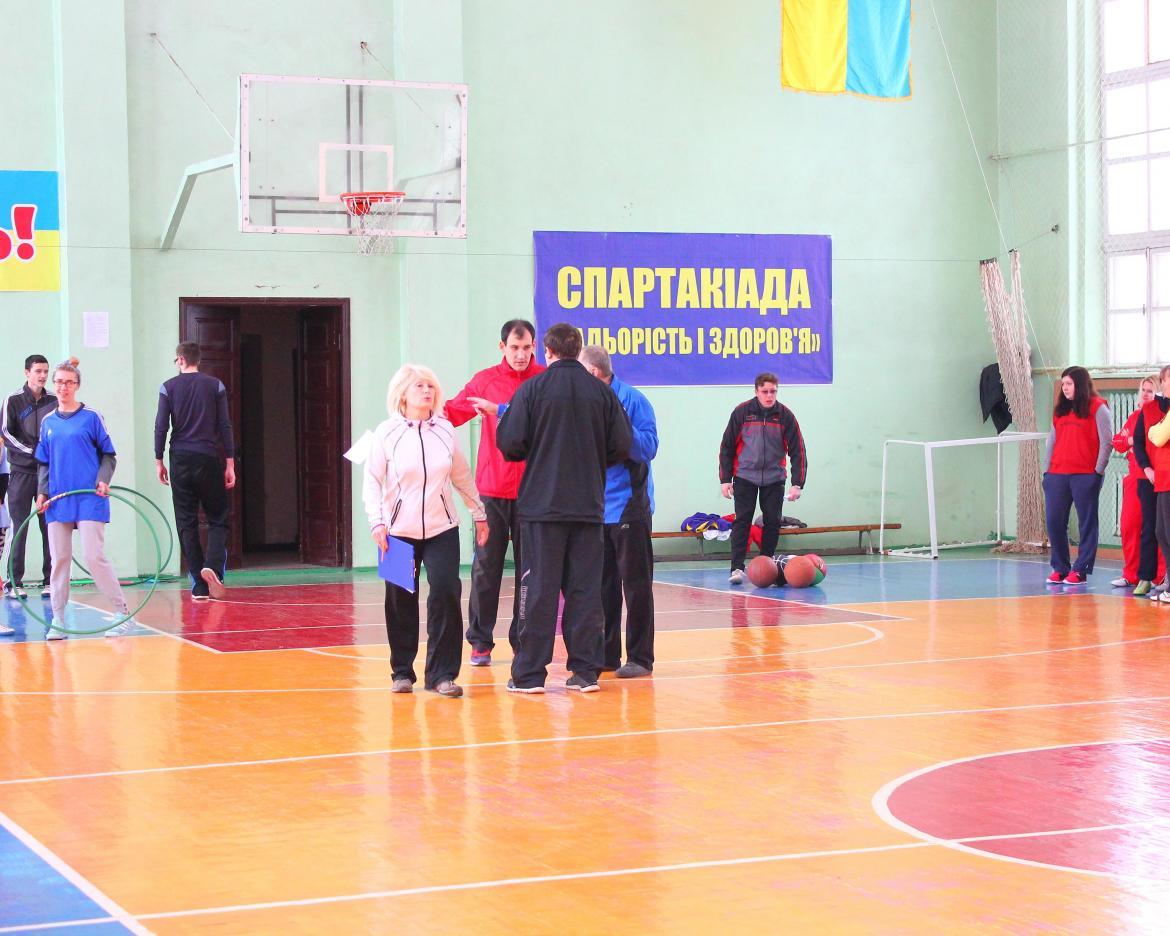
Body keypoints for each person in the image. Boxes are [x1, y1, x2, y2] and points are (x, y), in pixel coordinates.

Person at [496, 323, 632, 694]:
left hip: (542, 508)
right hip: (588, 507)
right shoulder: (602, 392)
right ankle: (585, 672)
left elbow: (510, 443)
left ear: (548, 351)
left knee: (538, 590)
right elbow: (622, 445)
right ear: (577, 350)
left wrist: (538, 448)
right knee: (585, 591)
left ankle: (529, 675)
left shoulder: (532, 390)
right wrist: (591, 458)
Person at [363, 364, 489, 698]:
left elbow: (461, 476)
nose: (427, 391)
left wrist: (479, 513)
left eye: (430, 386)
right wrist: (377, 522)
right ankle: (402, 672)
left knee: (446, 590)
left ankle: (442, 674)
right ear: (403, 393)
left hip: (441, 528)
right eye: (419, 386)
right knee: (399, 598)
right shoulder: (386, 433)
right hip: (395, 531)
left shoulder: (446, 431)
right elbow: (372, 481)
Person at [443, 319, 545, 667]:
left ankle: (524, 640)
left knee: (531, 570)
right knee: (487, 567)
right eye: (514, 348)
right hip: (491, 491)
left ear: (534, 346)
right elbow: (451, 413)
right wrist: (415, 412)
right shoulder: (485, 381)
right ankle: (480, 642)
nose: (521, 354)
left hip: (533, 492)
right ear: (502, 347)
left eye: (526, 347)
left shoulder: (544, 380)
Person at [34, 360, 137, 638]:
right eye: (59, 382)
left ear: (77, 385)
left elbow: (109, 455)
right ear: (54, 385)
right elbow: (43, 462)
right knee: (59, 560)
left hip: (90, 496)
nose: (63, 387)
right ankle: (58, 620)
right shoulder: (48, 421)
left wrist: (103, 480)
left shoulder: (92, 417)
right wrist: (42, 492)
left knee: (94, 556)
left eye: (69, 382)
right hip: (58, 499)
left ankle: (122, 612)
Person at [579, 344, 658, 679]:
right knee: (602, 587)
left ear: (595, 372)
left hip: (629, 506)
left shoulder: (633, 400)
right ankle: (607, 654)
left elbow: (649, 447)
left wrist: (622, 429)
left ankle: (640, 657)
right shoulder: (586, 401)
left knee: (636, 586)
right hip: (597, 508)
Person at [154, 342, 236, 600]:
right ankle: (213, 566)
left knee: (186, 521)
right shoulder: (215, 385)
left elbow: (161, 426)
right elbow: (224, 425)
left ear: (180, 359)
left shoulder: (167, 387)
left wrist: (158, 460)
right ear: (198, 360)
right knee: (218, 517)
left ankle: (199, 586)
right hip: (208, 457)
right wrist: (230, 462)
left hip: (179, 458)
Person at [719, 373, 807, 584]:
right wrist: (725, 479)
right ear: (756, 391)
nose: (769, 396)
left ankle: (767, 565)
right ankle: (737, 568)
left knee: (772, 522)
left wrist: (797, 483)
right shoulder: (742, 412)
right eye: (765, 392)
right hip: (744, 476)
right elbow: (727, 446)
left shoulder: (785, 416)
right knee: (742, 521)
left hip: (774, 478)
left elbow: (798, 450)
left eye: (773, 391)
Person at [1043, 365, 1112, 585]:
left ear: (1080, 384)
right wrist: (1046, 471)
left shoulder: (1098, 407)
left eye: (1069, 384)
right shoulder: (1060, 410)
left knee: (1087, 523)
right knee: (1054, 521)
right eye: (1063, 384)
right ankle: (1060, 567)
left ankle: (1081, 570)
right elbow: (1051, 441)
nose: (1064, 388)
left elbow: (1107, 442)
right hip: (1056, 475)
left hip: (1085, 475)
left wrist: (1097, 472)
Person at [2, 354, 57, 599]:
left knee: (50, 527)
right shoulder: (13, 400)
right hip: (21, 473)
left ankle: (50, 581)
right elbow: (6, 433)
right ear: (27, 373)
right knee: (18, 527)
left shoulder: (54, 400)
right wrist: (33, 452)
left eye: (45, 371)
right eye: (38, 371)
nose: (43, 375)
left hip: (48, 475)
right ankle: (13, 583)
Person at [1111, 376, 1164, 595]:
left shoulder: (1163, 417)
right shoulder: (1134, 417)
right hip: (1136, 478)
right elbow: (1117, 442)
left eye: (1151, 390)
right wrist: (1132, 440)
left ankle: (1160, 575)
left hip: (1159, 479)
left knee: (1158, 529)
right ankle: (1131, 573)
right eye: (1143, 390)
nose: (1146, 394)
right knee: (1129, 526)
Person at [1135, 365, 1170, 603]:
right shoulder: (1148, 410)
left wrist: (1156, 431)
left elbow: (1157, 436)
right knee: (1159, 530)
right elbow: (1142, 439)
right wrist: (1147, 468)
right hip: (1159, 478)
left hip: (1166, 476)